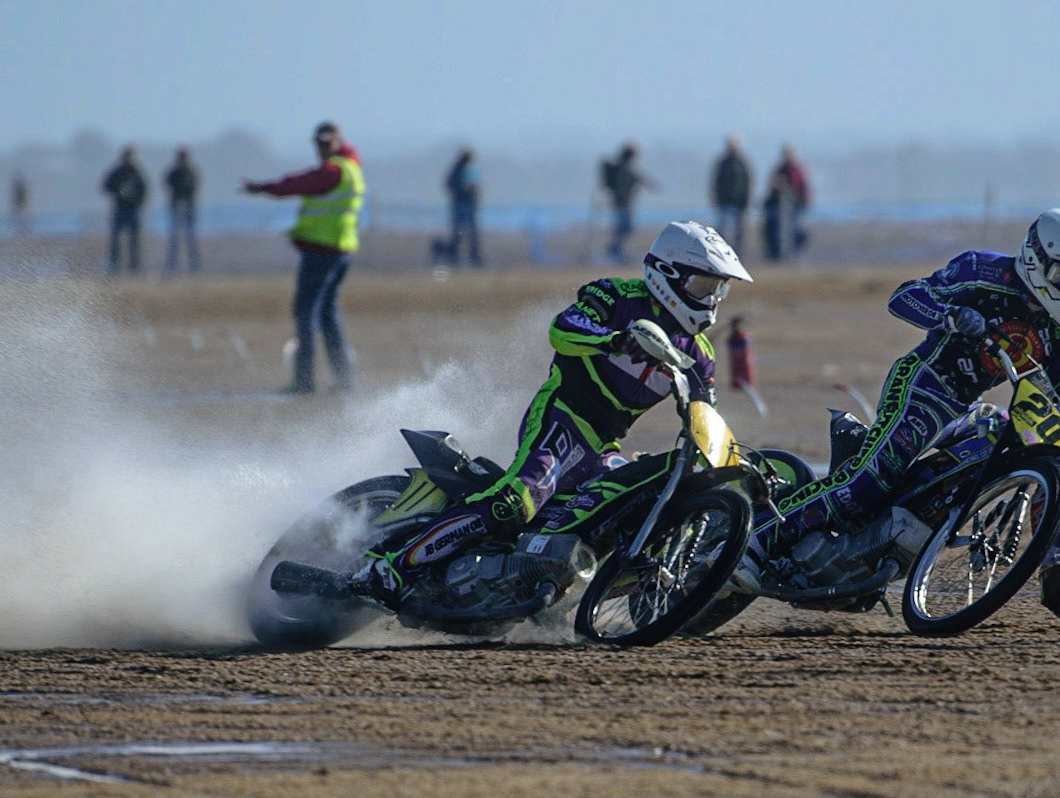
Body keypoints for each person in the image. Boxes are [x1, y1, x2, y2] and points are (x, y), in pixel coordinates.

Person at [738, 208, 1060, 619]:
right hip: (924, 386)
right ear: (1038, 260)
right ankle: (754, 542)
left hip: (968, 407)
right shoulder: (982, 272)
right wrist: (950, 315)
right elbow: (905, 297)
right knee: (869, 481)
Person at [352, 221, 753, 608]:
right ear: (667, 274)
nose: (712, 299)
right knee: (515, 502)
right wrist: (614, 340)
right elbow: (561, 329)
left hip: (603, 447)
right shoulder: (616, 296)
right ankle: (393, 568)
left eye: (719, 289)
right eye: (704, 285)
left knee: (628, 509)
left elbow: (705, 416)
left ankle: (542, 586)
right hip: (561, 417)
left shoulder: (700, 355)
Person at [243, 121, 365, 395]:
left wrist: (264, 187)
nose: (321, 148)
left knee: (306, 313)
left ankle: (304, 380)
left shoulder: (334, 170)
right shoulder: (352, 168)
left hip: (322, 252)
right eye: (318, 143)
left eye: (326, 142)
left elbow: (298, 183)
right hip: (338, 250)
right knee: (328, 314)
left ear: (338, 142)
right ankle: (343, 379)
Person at [600, 142, 657, 262]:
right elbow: (630, 182)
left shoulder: (624, 168)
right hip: (623, 204)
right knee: (625, 228)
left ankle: (616, 250)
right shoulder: (625, 169)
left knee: (624, 228)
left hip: (622, 203)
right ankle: (614, 251)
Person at [101, 145, 148, 274]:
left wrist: (139, 202)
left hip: (133, 210)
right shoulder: (117, 172)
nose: (129, 159)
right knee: (116, 240)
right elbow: (106, 186)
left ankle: (134, 265)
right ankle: (114, 264)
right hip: (120, 209)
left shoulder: (137, 172)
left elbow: (144, 189)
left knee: (134, 240)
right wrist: (117, 192)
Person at [761, 145, 810, 262]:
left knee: (796, 232)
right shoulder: (779, 170)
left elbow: (803, 187)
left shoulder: (798, 170)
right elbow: (772, 187)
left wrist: (803, 200)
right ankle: (777, 255)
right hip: (779, 206)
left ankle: (793, 254)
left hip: (795, 206)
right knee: (775, 232)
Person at [436, 147, 482, 267]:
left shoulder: (471, 169)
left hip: (468, 205)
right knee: (459, 233)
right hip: (459, 205)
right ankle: (455, 256)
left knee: (471, 233)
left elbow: (476, 186)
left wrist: (472, 194)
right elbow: (449, 185)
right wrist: (461, 191)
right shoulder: (457, 170)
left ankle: (473, 257)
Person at [710, 133, 752, 253]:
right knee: (722, 229)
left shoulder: (742, 163)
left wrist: (746, 200)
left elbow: (748, 182)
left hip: (739, 203)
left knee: (739, 231)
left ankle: (737, 253)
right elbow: (716, 182)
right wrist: (717, 198)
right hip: (724, 202)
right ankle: (721, 252)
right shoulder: (722, 163)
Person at [163, 146, 201, 273]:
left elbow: (195, 186)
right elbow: (168, 184)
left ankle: (194, 264)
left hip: (189, 207)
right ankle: (172, 264)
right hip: (177, 206)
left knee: (191, 237)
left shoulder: (191, 172)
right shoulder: (174, 173)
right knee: (175, 237)